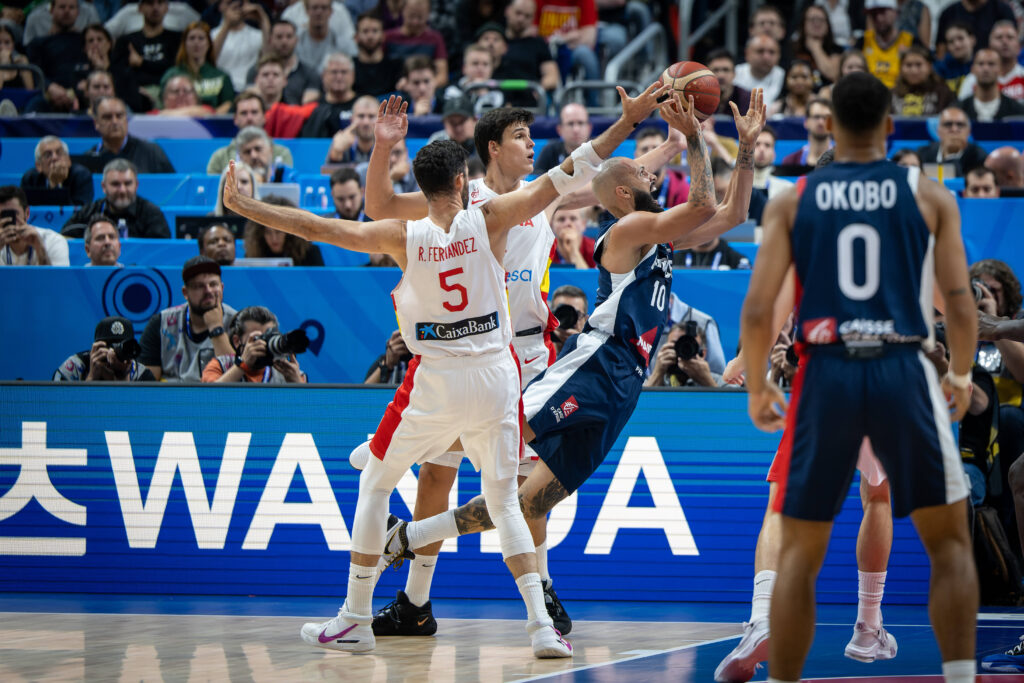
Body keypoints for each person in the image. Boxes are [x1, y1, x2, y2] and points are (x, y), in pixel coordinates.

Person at [218, 92, 657, 655]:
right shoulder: (493, 216)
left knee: (377, 482)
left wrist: (246, 207)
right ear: (463, 179)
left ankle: (354, 612)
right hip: (498, 375)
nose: (528, 143)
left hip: (445, 374)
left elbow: (315, 226)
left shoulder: (401, 236)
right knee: (502, 500)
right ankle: (539, 628)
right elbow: (581, 164)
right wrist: (633, 118)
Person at [380, 92, 768, 640]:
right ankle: (419, 564)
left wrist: (729, 148)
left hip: (594, 375)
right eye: (519, 136)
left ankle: (428, 544)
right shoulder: (483, 207)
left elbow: (724, 211)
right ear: (491, 147)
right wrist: (690, 138)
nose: (531, 143)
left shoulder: (600, 216)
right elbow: (640, 184)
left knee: (525, 496)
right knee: (475, 462)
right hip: (542, 357)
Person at [737, 71, 978, 683]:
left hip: (827, 373)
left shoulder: (794, 199)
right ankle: (951, 672)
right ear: (891, 129)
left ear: (830, 128)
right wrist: (960, 373)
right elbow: (959, 300)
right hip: (901, 367)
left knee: (798, 551)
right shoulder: (928, 196)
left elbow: (761, 308)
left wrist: (762, 384)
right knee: (949, 543)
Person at [138, 255, 238, 381]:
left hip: (217, 398)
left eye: (213, 284)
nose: (208, 291)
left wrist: (216, 328)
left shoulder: (237, 323)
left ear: (222, 288)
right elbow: (146, 384)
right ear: (185, 293)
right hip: (171, 397)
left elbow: (237, 382)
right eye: (199, 286)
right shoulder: (161, 323)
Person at [62, 159, 170, 238]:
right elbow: (63, 239)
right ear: (104, 187)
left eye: (127, 183)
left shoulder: (152, 214)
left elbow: (163, 251)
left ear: (136, 185)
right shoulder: (89, 212)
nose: (122, 190)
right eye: (115, 184)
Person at [201, 305, 307, 383]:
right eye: (258, 338)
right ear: (237, 341)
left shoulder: (289, 373)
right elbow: (208, 400)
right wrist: (242, 365)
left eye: (269, 337)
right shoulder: (220, 366)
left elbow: (307, 410)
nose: (265, 344)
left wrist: (296, 382)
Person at [25, 0, 91, 111]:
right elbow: (34, 72)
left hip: (82, 92)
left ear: (78, 12)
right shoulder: (38, 43)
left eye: (71, 7)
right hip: (49, 95)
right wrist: (49, 87)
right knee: (35, 105)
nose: (67, 11)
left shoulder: (86, 41)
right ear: (51, 10)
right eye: (62, 7)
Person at [206, 91, 295, 174]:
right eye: (244, 113)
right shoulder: (219, 158)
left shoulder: (282, 154)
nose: (249, 118)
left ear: (264, 117)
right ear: (235, 119)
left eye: (254, 112)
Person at [85, 96, 175, 173]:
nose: (115, 122)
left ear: (127, 120)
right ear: (96, 123)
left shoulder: (152, 153)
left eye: (119, 116)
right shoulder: (89, 159)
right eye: (107, 117)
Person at [160, 21, 234, 112]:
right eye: (192, 38)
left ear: (209, 44)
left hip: (211, 124)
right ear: (184, 44)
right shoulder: (171, 75)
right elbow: (162, 105)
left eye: (201, 38)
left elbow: (229, 105)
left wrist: (208, 117)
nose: (196, 43)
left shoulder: (222, 76)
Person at [53, 316, 155, 382]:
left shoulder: (141, 375)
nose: (113, 354)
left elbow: (148, 412)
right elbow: (57, 409)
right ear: (95, 347)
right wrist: (92, 377)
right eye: (109, 346)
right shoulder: (74, 368)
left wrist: (123, 377)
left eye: (121, 348)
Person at [110, 0, 181, 91]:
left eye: (160, 3)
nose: (155, 8)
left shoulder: (177, 39)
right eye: (150, 3)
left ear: (167, 8)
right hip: (136, 93)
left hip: (171, 91)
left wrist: (142, 63)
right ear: (140, 8)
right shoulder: (126, 41)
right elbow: (117, 72)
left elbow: (174, 68)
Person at [247, 19, 321, 105]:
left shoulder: (310, 73)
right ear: (270, 40)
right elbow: (250, 102)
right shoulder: (256, 70)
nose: (284, 41)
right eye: (279, 37)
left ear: (296, 40)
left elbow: (309, 106)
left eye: (289, 36)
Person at [243, 196, 325, 265]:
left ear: (290, 231)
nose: (274, 238)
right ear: (260, 233)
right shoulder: (253, 254)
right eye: (267, 232)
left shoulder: (309, 252)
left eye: (278, 232)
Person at [0, 185, 70, 266]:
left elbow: (57, 278)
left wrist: (41, 250)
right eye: (2, 216)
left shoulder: (54, 241)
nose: (9, 221)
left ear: (27, 213)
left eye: (13, 214)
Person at [385, 0, 448, 86]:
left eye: (420, 17)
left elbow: (442, 76)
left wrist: (421, 87)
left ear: (428, 15)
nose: (415, 22)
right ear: (402, 12)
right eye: (411, 16)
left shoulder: (435, 38)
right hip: (394, 92)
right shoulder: (388, 37)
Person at [957, 20, 1024, 101]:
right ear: (990, 45)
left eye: (1010, 37)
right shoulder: (973, 80)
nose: (1004, 41)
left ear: (1019, 46)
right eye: (999, 37)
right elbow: (962, 110)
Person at [914, 104, 989, 176]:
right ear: (938, 131)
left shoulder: (979, 158)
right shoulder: (923, 154)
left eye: (960, 125)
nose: (954, 129)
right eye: (948, 124)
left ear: (968, 132)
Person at [211, 0, 269, 92]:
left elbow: (269, 58)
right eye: (229, 3)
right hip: (221, 89)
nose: (235, 7)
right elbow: (210, 60)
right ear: (220, 6)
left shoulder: (258, 35)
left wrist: (263, 19)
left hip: (249, 89)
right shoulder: (212, 35)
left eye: (239, 4)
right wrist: (227, 25)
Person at [856, 0, 916, 89]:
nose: (878, 18)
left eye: (882, 12)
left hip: (901, 94)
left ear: (895, 12)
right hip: (868, 93)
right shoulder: (863, 41)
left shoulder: (910, 41)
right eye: (873, 14)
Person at [645, 321, 725, 387]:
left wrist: (708, 382)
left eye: (688, 347)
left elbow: (730, 404)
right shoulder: (643, 381)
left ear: (703, 353)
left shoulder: (721, 382)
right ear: (664, 348)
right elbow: (636, 403)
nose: (681, 352)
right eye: (676, 345)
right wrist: (657, 374)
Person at [21, 136, 94, 206]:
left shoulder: (81, 176)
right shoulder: (29, 179)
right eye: (48, 155)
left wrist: (57, 185)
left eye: (59, 153)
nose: (54, 158)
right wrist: (54, 184)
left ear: (68, 160)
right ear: (38, 166)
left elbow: (82, 212)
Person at [300, 53, 358, 137]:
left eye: (344, 72)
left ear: (353, 75)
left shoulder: (364, 106)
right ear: (323, 75)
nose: (339, 77)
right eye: (334, 72)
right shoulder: (313, 108)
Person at [890, 46, 955, 117]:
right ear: (901, 68)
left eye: (919, 65)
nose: (913, 71)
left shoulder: (943, 93)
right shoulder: (891, 95)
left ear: (929, 67)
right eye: (908, 65)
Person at [962, 47, 1024, 120]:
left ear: (1000, 69)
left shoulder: (1017, 111)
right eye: (981, 64)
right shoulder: (959, 110)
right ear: (973, 69)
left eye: (991, 64)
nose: (986, 69)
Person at [936, 0, 1015, 56]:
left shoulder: (1001, 9)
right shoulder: (949, 13)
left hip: (994, 67)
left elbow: (1014, 42)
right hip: (957, 70)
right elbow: (941, 49)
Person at [353, 11, 403, 97]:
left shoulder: (396, 66)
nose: (370, 36)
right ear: (356, 37)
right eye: (365, 31)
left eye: (375, 31)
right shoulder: (349, 67)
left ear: (383, 36)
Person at [791, 4, 842, 85]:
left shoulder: (836, 49)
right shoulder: (792, 48)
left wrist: (815, 48)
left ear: (827, 25)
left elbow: (833, 75)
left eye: (821, 20)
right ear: (803, 24)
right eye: (812, 19)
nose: (817, 23)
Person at [533, 103, 592, 174]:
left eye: (581, 123)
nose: (576, 129)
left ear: (589, 128)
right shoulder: (550, 150)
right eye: (570, 124)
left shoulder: (599, 150)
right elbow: (535, 180)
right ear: (559, 130)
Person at [295, 0, 350, 73]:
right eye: (314, 8)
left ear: (331, 11)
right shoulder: (296, 44)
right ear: (307, 11)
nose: (319, 12)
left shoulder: (341, 45)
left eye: (324, 8)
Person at [780, 98, 833, 169]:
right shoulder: (790, 161)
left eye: (826, 118)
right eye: (816, 117)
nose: (821, 122)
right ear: (806, 122)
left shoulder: (842, 160)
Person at [735, 35, 786, 106]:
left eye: (771, 52)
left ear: (779, 55)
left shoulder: (787, 76)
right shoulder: (734, 74)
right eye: (760, 51)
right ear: (747, 54)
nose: (766, 57)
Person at [326, 95, 378, 163]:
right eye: (361, 116)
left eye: (371, 116)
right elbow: (328, 172)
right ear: (352, 119)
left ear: (380, 119)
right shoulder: (342, 141)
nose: (366, 122)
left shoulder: (388, 145)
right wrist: (336, 153)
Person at [935, 22, 976, 96]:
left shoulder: (983, 64)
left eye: (960, 38)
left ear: (972, 39)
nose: (957, 45)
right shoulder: (940, 69)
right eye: (951, 42)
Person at [708, 49, 752, 117]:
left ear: (734, 74)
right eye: (715, 70)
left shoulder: (746, 99)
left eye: (726, 70)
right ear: (707, 73)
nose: (721, 76)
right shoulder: (698, 98)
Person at [548, 284, 588, 355]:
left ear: (586, 320)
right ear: (551, 317)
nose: (567, 319)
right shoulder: (539, 354)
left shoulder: (593, 355)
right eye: (562, 314)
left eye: (576, 314)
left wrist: (579, 347)